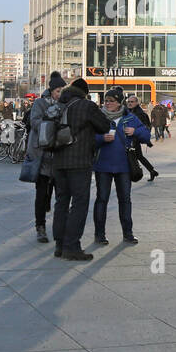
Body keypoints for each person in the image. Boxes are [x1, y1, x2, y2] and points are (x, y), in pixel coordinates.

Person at [50, 77, 112, 261]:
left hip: (58, 160)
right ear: (84, 92)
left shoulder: (58, 104)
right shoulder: (86, 106)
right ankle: (72, 246)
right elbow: (104, 126)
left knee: (61, 202)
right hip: (79, 162)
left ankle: (60, 245)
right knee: (79, 203)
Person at [92, 88, 150, 245]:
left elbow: (146, 135)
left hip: (124, 166)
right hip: (102, 165)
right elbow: (89, 137)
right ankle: (99, 234)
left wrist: (135, 131)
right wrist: (101, 138)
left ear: (119, 102)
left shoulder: (129, 118)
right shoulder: (98, 117)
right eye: (106, 101)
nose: (108, 104)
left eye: (112, 101)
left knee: (125, 200)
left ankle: (128, 233)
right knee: (102, 199)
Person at [26, 73, 65, 241]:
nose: (60, 93)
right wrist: (50, 121)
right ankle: (40, 226)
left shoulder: (64, 105)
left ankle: (60, 228)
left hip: (59, 156)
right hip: (42, 155)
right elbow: (34, 122)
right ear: (51, 90)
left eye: (62, 90)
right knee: (41, 193)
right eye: (58, 90)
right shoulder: (40, 103)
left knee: (61, 195)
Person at [125, 93, 158, 181]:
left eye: (132, 102)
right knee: (139, 156)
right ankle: (152, 171)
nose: (130, 103)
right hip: (130, 139)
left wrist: (140, 136)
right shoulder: (128, 111)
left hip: (134, 139)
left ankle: (135, 173)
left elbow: (145, 128)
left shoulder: (140, 114)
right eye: (128, 102)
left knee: (134, 157)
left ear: (136, 103)